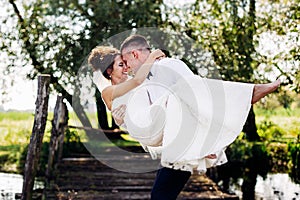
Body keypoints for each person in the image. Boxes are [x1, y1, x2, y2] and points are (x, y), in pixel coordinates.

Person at [88, 38, 280, 199]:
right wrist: (153, 55)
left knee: (183, 94)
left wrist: (154, 63)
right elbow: (138, 81)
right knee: (179, 91)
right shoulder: (109, 90)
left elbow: (147, 84)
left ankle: (204, 143)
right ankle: (249, 92)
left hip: (152, 123)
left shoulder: (133, 80)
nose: (126, 67)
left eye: (125, 63)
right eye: (120, 64)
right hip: (143, 124)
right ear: (108, 71)